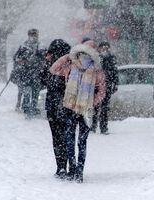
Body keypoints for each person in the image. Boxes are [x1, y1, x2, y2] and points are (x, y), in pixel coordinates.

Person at [50, 43, 106, 183]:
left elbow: (54, 69)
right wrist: (67, 57)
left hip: (78, 110)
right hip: (78, 110)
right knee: (77, 141)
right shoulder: (80, 67)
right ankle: (76, 170)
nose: (83, 56)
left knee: (75, 141)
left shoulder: (86, 68)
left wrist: (90, 102)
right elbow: (54, 69)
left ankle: (76, 170)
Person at [40, 39, 71, 179]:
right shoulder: (71, 64)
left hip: (52, 105)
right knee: (67, 136)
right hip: (68, 105)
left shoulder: (49, 65)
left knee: (57, 137)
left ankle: (61, 166)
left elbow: (42, 80)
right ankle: (71, 165)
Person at [10, 28, 41, 118]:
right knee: (27, 91)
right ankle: (26, 108)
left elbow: (44, 58)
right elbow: (15, 58)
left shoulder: (40, 46)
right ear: (29, 35)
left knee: (35, 92)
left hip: (36, 73)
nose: (34, 37)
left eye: (35, 35)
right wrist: (20, 61)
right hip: (25, 73)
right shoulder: (23, 46)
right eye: (32, 35)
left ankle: (33, 108)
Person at [90, 41, 119, 135]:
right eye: (103, 48)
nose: (105, 50)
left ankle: (103, 127)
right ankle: (93, 126)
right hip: (97, 86)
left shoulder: (111, 58)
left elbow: (115, 72)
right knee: (95, 107)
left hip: (107, 85)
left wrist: (115, 84)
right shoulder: (95, 58)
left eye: (107, 48)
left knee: (105, 108)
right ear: (99, 48)